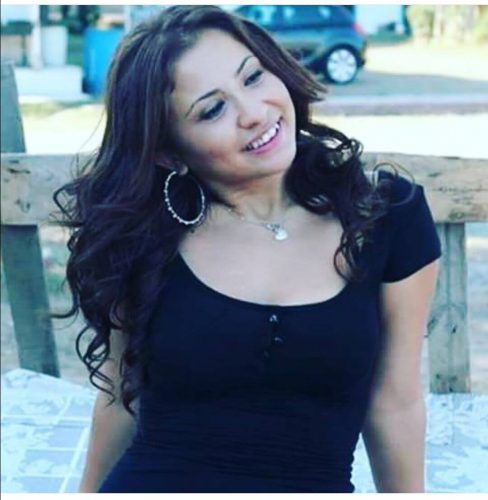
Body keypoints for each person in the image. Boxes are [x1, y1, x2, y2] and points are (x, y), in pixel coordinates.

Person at [52, 5, 442, 494]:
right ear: (168, 152)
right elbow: (118, 397)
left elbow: (395, 403)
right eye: (212, 110)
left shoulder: (385, 215)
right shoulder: (143, 234)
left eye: (253, 77)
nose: (255, 113)